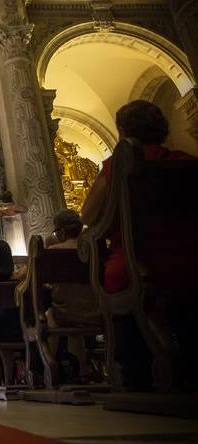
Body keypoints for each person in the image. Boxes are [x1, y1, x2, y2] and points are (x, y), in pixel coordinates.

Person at [82, 100, 198, 389]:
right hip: (191, 259)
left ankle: (136, 369)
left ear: (122, 131)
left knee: (117, 278)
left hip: (136, 263)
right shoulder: (186, 162)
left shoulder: (116, 168)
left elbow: (89, 215)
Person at [45, 209, 99, 383]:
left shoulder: (53, 252)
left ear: (60, 232)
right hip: (97, 310)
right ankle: (82, 369)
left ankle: (50, 368)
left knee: (48, 317)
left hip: (65, 312)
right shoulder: (94, 249)